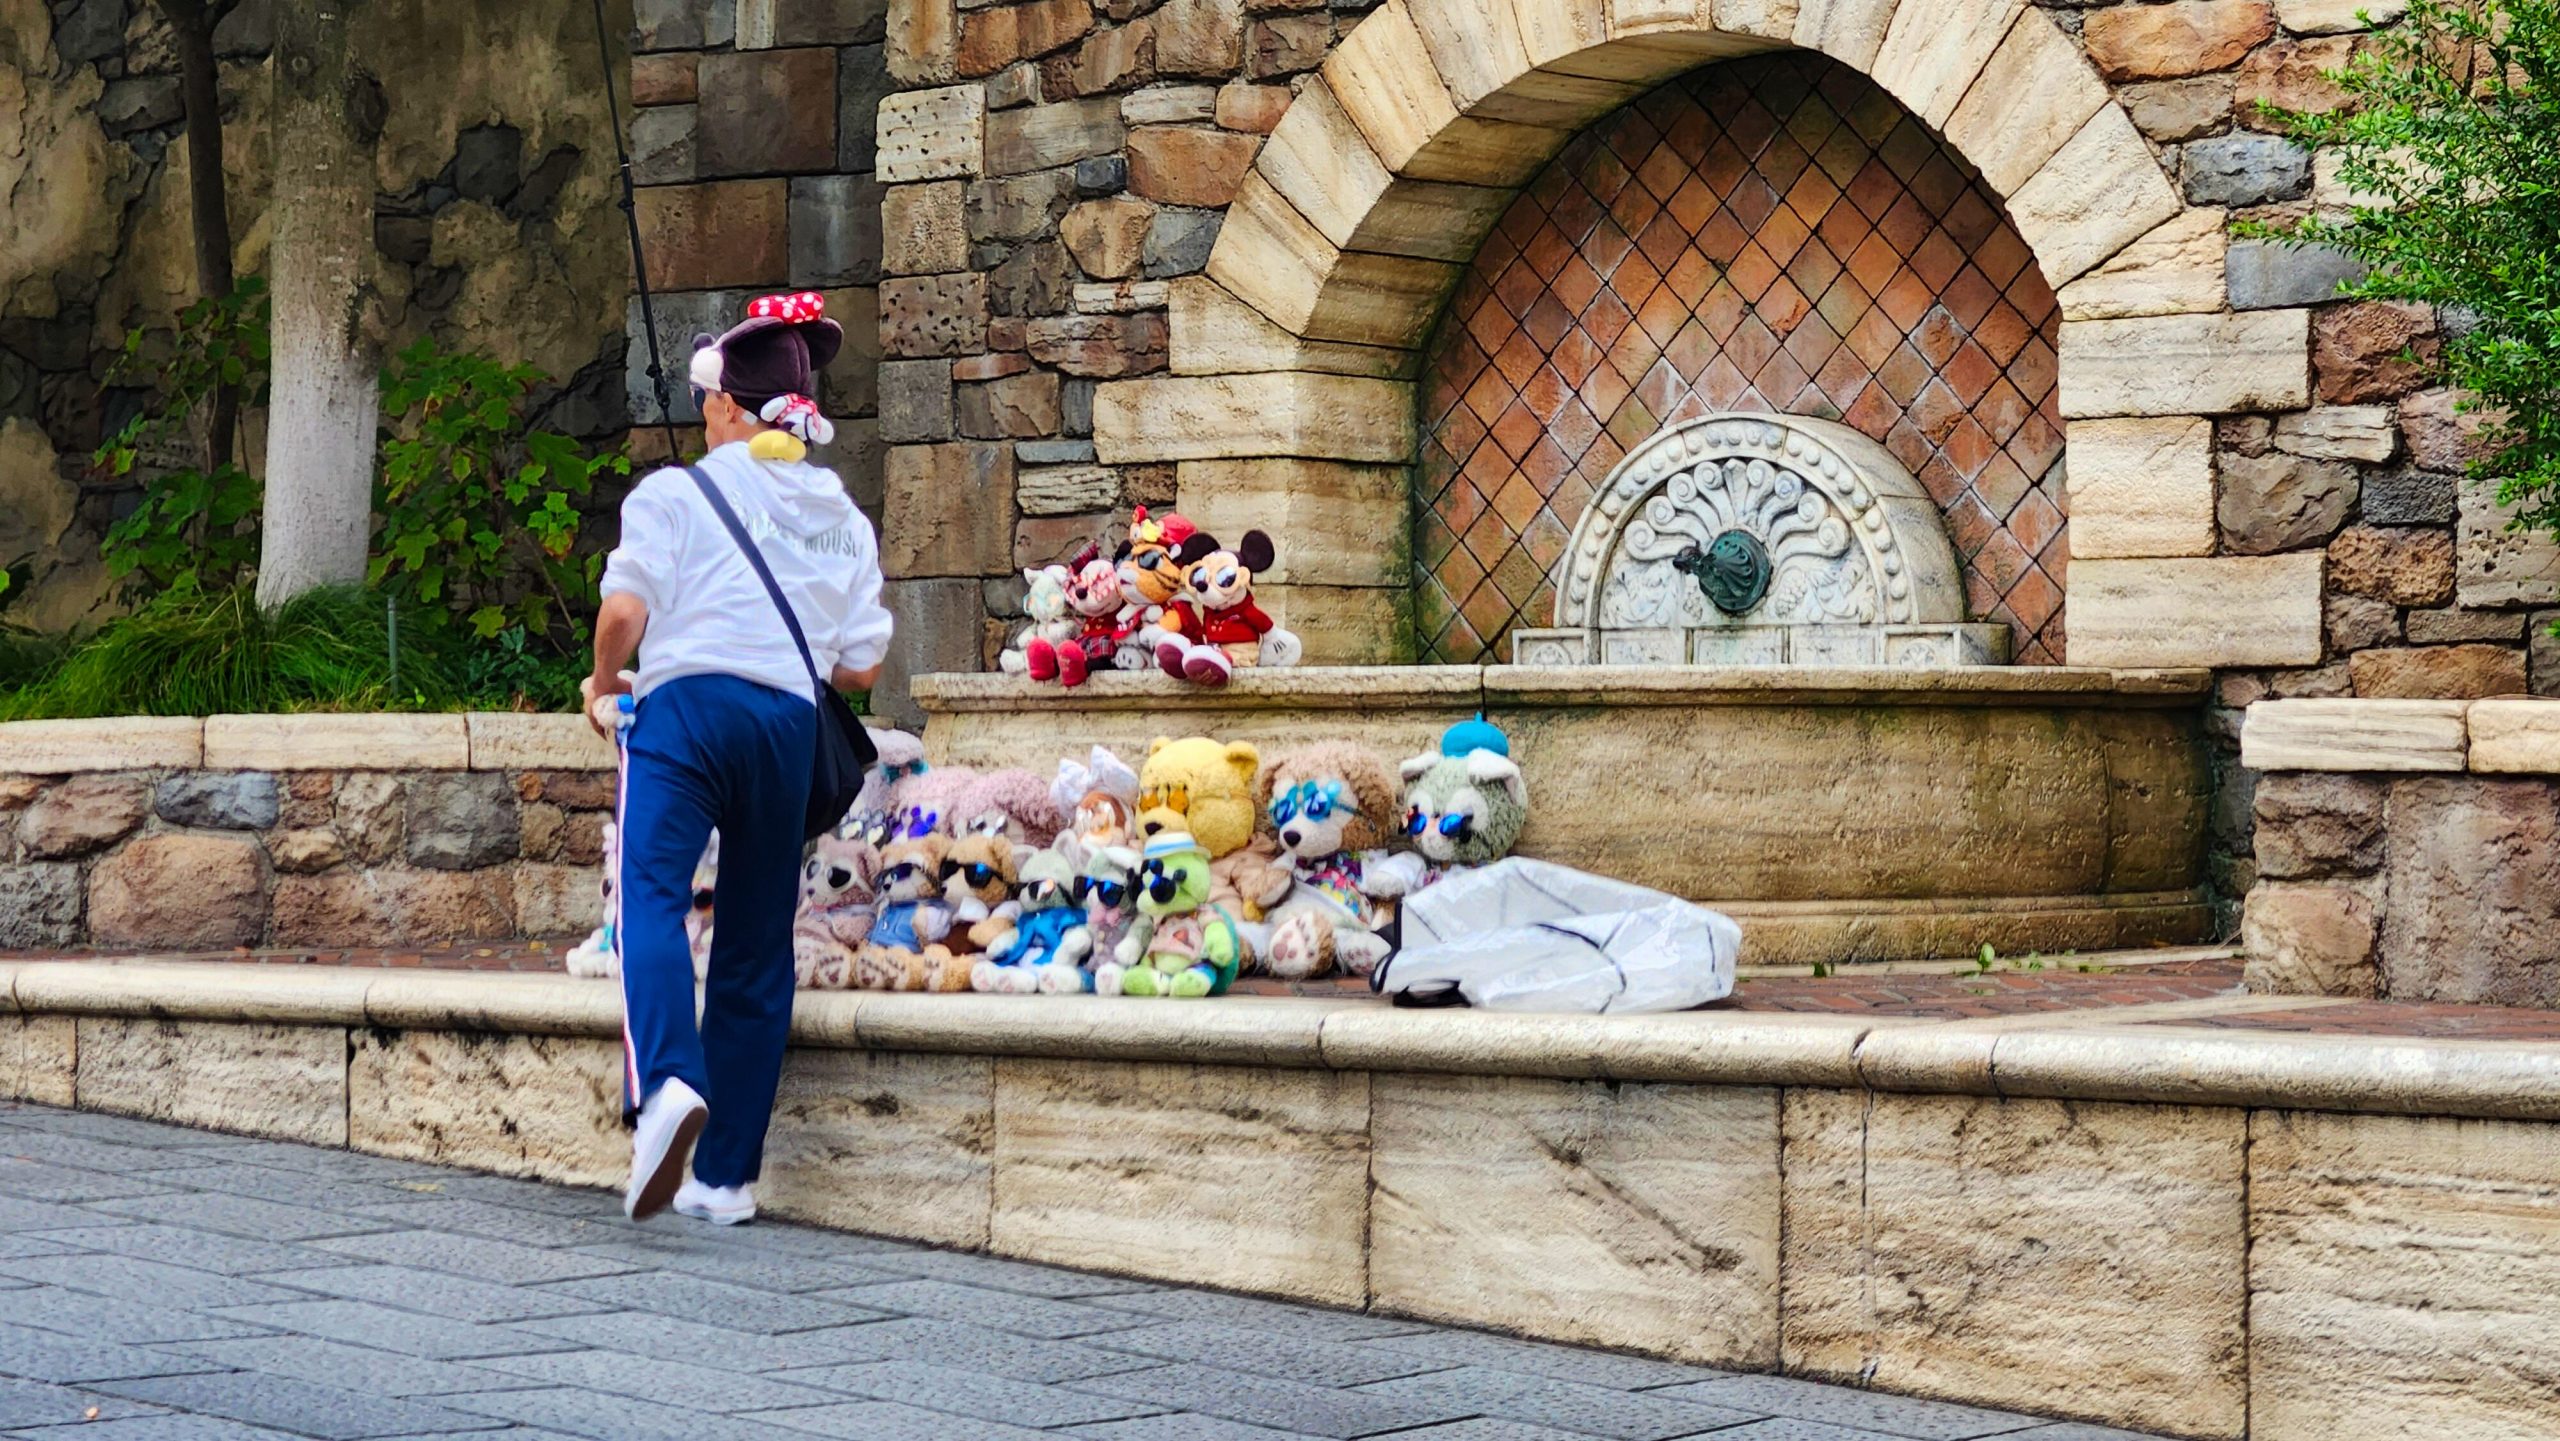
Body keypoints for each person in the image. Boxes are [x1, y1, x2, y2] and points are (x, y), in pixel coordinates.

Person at [583, 291, 893, 1225]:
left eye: (706, 401)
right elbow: (861, 666)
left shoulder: (674, 494)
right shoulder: (843, 517)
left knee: (651, 897)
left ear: (725, 405)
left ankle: (668, 1083)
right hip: (787, 728)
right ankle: (724, 1180)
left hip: (686, 712)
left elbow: (626, 611)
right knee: (758, 944)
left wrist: (604, 682)